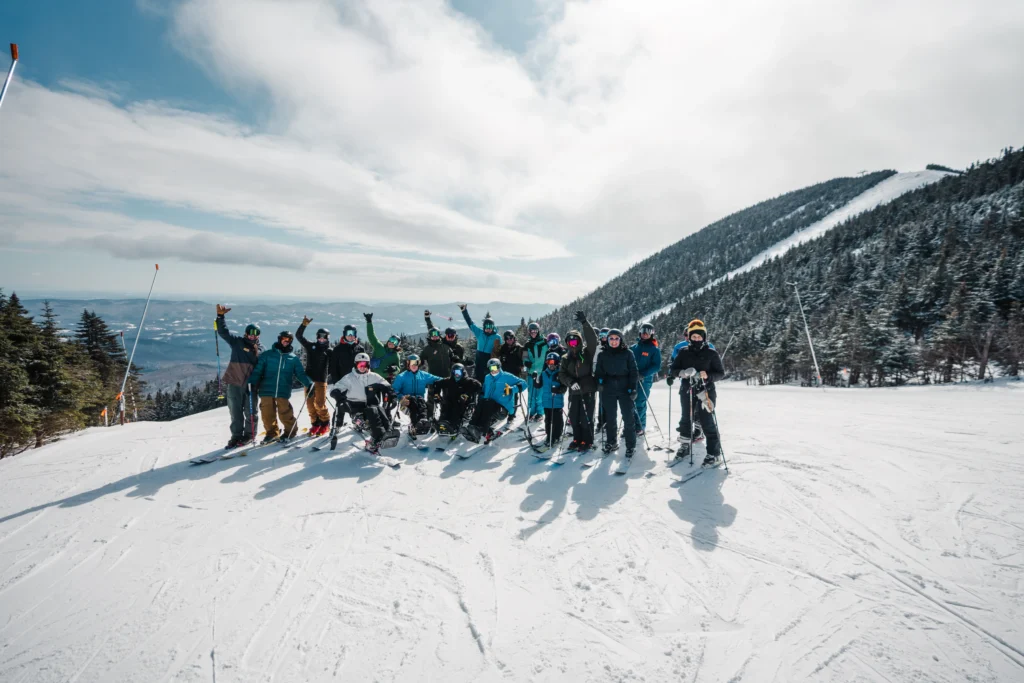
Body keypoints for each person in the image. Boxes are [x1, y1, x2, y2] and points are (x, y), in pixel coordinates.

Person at [667, 321, 725, 465]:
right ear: (690, 337)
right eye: (694, 336)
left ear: (704, 337)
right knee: (686, 418)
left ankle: (714, 453)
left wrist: (708, 376)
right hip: (687, 390)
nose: (697, 339)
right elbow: (673, 370)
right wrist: (682, 373)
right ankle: (685, 445)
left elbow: (720, 373)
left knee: (707, 420)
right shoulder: (683, 352)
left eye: (700, 336)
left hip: (706, 391)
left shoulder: (711, 353)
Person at [246, 330, 313, 443]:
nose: (286, 341)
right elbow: (258, 370)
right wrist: (252, 382)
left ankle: (290, 432)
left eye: (289, 340)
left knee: (285, 412)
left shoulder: (293, 359)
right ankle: (272, 433)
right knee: (267, 414)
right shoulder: (267, 355)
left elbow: (300, 374)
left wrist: (308, 384)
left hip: (283, 389)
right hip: (266, 389)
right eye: (284, 339)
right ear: (279, 339)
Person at [215, 305, 261, 448]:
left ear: (258, 335)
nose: (252, 336)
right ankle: (236, 436)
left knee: (251, 412)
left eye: (255, 334)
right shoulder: (237, 343)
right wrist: (220, 317)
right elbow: (223, 333)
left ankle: (249, 435)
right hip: (234, 382)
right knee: (235, 412)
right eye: (250, 333)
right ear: (246, 334)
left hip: (250, 386)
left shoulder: (261, 349)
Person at [330, 352, 395, 454]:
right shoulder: (349, 378)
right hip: (355, 406)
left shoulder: (374, 376)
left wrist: (392, 395)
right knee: (372, 412)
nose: (362, 367)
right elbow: (335, 389)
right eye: (360, 364)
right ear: (356, 365)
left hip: (370, 404)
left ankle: (389, 431)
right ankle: (376, 437)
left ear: (368, 365)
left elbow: (386, 385)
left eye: (365, 364)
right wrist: (340, 398)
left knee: (380, 410)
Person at [557, 311, 599, 452]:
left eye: (575, 341)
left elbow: (593, 340)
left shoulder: (587, 353)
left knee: (586, 417)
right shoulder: (565, 358)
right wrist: (570, 382)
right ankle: (577, 439)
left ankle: (587, 440)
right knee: (574, 417)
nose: (573, 344)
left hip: (587, 389)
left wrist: (585, 323)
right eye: (570, 341)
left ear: (580, 342)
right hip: (574, 390)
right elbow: (561, 374)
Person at [595, 328, 639, 457]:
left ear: (620, 340)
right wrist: (600, 382)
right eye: (611, 339)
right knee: (610, 418)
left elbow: (633, 372)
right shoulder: (602, 354)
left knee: (628, 418)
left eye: (616, 338)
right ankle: (611, 442)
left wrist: (633, 388)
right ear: (607, 340)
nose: (614, 341)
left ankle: (630, 446)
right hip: (608, 388)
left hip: (625, 388)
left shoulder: (628, 353)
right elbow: (599, 371)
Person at [463, 359, 527, 443]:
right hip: (489, 405)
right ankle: (472, 426)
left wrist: (512, 389)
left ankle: (483, 431)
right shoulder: (488, 377)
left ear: (499, 366)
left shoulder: (507, 376)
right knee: (482, 403)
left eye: (494, 367)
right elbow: (485, 391)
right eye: (490, 368)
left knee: (488, 404)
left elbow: (524, 383)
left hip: (503, 409)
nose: (492, 370)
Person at [295, 317, 333, 436]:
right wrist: (303, 325)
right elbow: (299, 336)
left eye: (324, 337)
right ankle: (315, 424)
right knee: (310, 405)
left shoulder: (329, 350)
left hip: (321, 381)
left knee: (319, 404)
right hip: (309, 380)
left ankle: (325, 423)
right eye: (320, 336)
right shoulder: (311, 346)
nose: (321, 339)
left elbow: (334, 364)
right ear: (317, 337)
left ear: (327, 338)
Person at [391, 353, 443, 437]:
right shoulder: (401, 377)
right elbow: (394, 390)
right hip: (405, 403)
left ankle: (423, 420)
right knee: (413, 400)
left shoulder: (423, 375)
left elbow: (438, 379)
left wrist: (450, 381)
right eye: (412, 363)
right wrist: (401, 397)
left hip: (420, 401)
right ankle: (415, 424)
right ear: (408, 364)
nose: (414, 365)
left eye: (416, 363)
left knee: (420, 400)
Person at [328, 324, 367, 430]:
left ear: (355, 335)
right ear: (344, 335)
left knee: (357, 402)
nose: (350, 336)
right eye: (348, 333)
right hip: (342, 381)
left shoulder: (360, 348)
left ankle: (357, 422)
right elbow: (333, 367)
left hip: (357, 380)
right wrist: (336, 382)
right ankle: (337, 425)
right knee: (341, 404)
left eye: (352, 333)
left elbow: (365, 364)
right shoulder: (338, 349)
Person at [631, 323, 662, 435]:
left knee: (640, 402)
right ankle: (630, 425)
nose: (645, 334)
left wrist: (643, 374)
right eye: (643, 331)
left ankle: (639, 426)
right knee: (630, 402)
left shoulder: (654, 350)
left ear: (652, 334)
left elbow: (656, 366)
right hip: (632, 379)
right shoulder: (634, 348)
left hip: (644, 380)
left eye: (648, 332)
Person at [432, 363, 481, 433]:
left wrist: (466, 394)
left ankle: (453, 426)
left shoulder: (467, 381)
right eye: (455, 372)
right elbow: (437, 384)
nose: (457, 374)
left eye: (459, 372)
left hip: (462, 402)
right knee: (446, 407)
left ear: (463, 372)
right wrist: (436, 394)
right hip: (450, 400)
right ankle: (442, 424)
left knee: (456, 408)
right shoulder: (449, 381)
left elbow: (478, 385)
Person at [533, 352, 567, 448]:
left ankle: (556, 436)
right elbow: (538, 385)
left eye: (553, 362)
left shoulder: (560, 374)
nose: (551, 364)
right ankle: (549, 435)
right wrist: (535, 380)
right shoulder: (544, 373)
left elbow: (564, 387)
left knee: (557, 420)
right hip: (547, 402)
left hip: (557, 402)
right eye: (549, 362)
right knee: (548, 420)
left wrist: (558, 390)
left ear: (557, 363)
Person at [460, 304, 501, 380]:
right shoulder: (480, 333)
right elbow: (470, 323)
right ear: (484, 327)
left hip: (490, 359)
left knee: (489, 379)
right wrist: (464, 311)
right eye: (487, 327)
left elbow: (499, 351)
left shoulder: (497, 337)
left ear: (493, 327)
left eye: (490, 327)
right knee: (478, 378)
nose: (488, 329)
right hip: (479, 358)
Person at [364, 312, 402, 381]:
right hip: (372, 377)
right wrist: (369, 322)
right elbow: (371, 336)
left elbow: (398, 369)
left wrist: (394, 369)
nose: (392, 342)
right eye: (391, 340)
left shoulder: (395, 356)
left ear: (397, 345)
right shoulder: (379, 347)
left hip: (386, 379)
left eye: (395, 342)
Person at [523, 322, 547, 421]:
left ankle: (540, 413)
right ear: (529, 332)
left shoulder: (545, 342)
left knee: (540, 394)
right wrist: (526, 362)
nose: (533, 333)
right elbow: (524, 357)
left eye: (535, 331)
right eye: (531, 331)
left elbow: (551, 353)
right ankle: (531, 412)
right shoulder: (527, 344)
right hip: (531, 372)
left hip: (542, 372)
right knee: (531, 394)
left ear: (538, 331)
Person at [594, 327, 610, 432]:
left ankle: (609, 421)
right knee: (601, 401)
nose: (603, 338)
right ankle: (601, 421)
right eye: (601, 336)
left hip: (610, 379)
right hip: (600, 378)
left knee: (609, 402)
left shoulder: (612, 347)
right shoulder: (598, 348)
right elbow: (595, 363)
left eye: (605, 336)